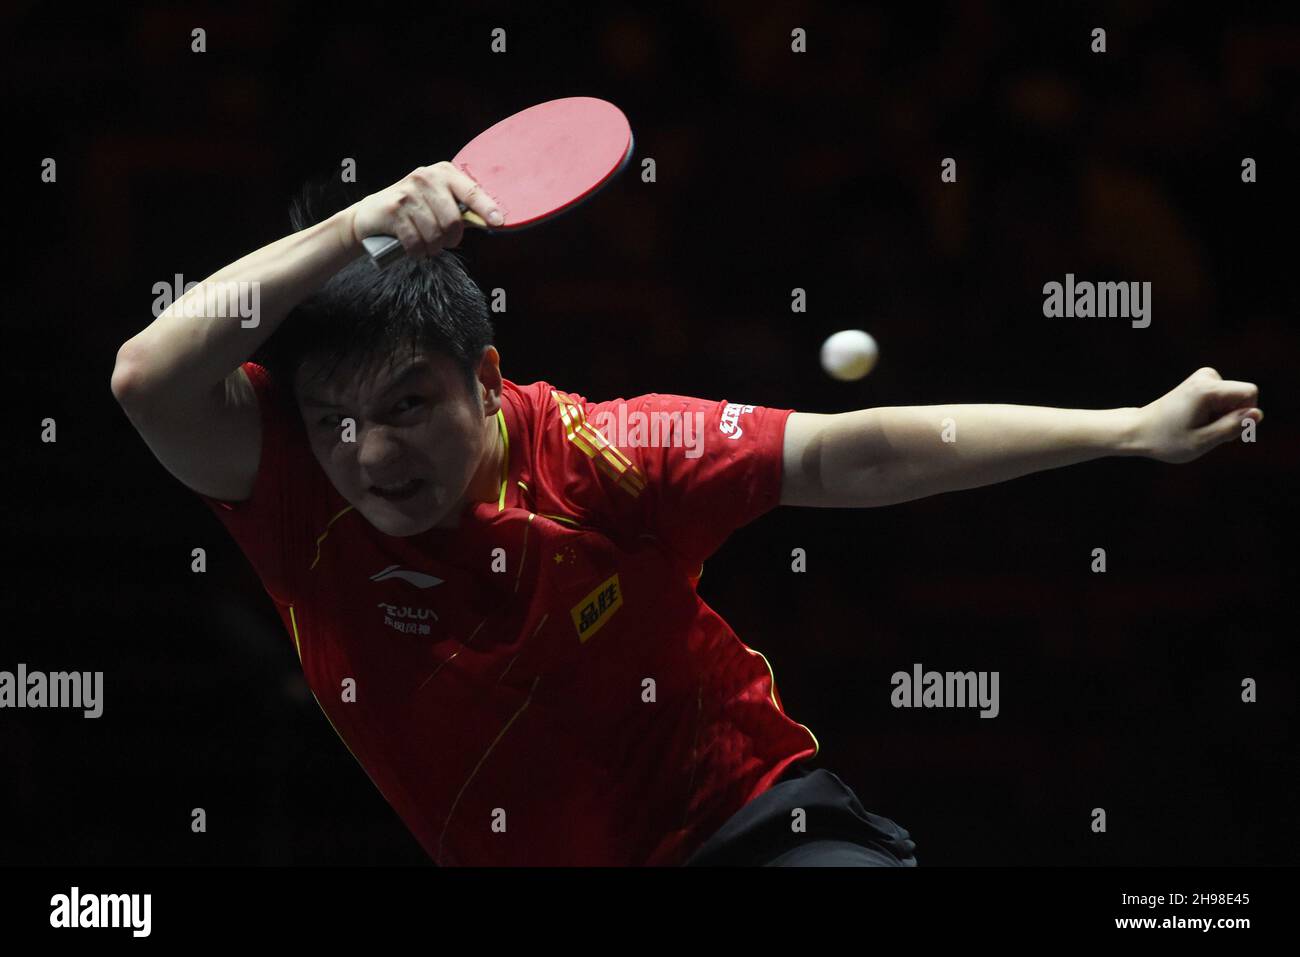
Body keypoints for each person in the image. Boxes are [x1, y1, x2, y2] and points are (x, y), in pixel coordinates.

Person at [111, 164, 1262, 866]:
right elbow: (147, 376)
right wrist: (360, 226)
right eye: (336, 420)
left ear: (483, 376)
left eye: (408, 405)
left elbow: (853, 452)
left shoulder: (607, 453)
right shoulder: (295, 488)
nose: (372, 452)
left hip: (751, 834)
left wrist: (1124, 427)